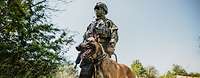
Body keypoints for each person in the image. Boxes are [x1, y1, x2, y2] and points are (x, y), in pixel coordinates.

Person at [75, 2, 119, 78]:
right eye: (95, 9)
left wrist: (111, 46)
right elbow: (85, 38)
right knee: (85, 73)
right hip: (89, 53)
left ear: (104, 10)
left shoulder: (108, 23)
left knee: (103, 73)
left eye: (98, 8)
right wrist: (82, 48)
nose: (96, 10)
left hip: (103, 52)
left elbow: (114, 35)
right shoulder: (91, 25)